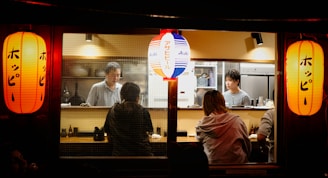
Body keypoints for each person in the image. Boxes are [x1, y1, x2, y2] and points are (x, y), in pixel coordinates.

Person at [196, 90, 251, 164]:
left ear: (205, 105)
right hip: (238, 167)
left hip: (213, 167)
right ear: (223, 102)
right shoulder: (237, 121)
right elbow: (247, 146)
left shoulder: (202, 125)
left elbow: (199, 143)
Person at [103, 82, 154, 156]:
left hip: (119, 156)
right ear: (137, 97)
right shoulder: (143, 111)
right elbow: (149, 132)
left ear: (121, 96)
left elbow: (108, 133)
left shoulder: (113, 110)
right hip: (142, 155)